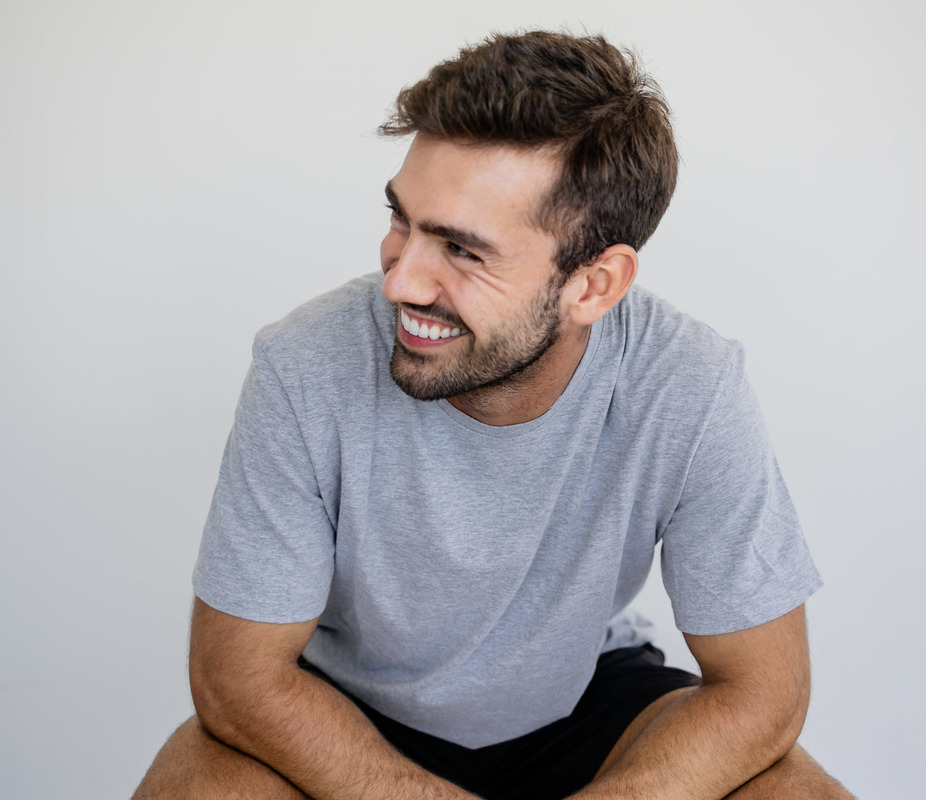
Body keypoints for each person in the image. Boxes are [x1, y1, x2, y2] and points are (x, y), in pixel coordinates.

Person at [133, 30, 853, 800]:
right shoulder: (303, 363)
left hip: (587, 705)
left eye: (463, 251)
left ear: (593, 286)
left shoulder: (690, 383)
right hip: (348, 709)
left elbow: (763, 694)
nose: (401, 282)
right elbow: (237, 680)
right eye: (403, 221)